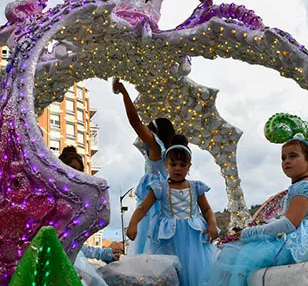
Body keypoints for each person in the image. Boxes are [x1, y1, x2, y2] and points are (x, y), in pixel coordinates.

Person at [207, 137, 308, 286]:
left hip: (294, 242)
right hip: (289, 236)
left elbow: (289, 224)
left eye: (293, 156)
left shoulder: (304, 188)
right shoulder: (298, 187)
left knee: (242, 256)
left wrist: (249, 233)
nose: (287, 161)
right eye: (283, 158)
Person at [124, 137, 217, 286]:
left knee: (193, 272)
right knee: (169, 274)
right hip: (168, 238)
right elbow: (143, 207)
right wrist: (133, 223)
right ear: (166, 165)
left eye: (182, 164)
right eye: (173, 164)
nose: (178, 168)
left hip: (194, 238)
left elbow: (206, 209)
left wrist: (212, 224)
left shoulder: (196, 187)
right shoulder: (159, 187)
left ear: (189, 166)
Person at [112, 78, 173, 256]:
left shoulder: (155, 146)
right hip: (166, 199)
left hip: (154, 202)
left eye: (148, 130)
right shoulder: (167, 153)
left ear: (154, 132)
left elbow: (135, 122)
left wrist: (124, 92)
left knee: (150, 246)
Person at [61, 147, 118, 286]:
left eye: (80, 170)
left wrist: (104, 254)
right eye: (71, 168)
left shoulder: (79, 204)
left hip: (75, 265)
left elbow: (77, 246)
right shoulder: (49, 200)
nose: (75, 174)